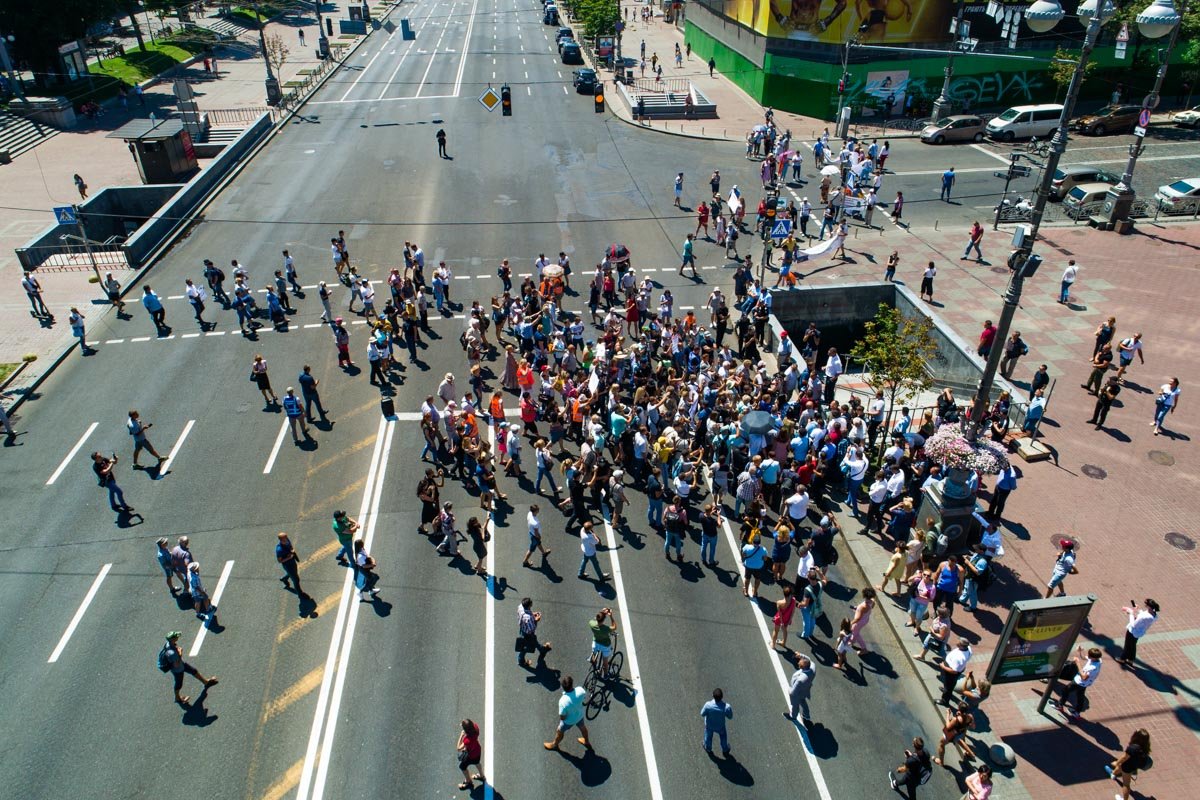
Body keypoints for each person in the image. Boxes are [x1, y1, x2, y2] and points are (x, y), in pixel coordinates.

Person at [160, 631, 217, 705]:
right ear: (172, 639)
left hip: (181, 665)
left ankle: (206, 682)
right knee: (179, 683)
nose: (178, 637)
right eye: (176, 636)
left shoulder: (168, 644)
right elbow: (176, 664)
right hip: (178, 670)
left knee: (193, 671)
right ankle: (177, 698)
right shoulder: (172, 653)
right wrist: (180, 652)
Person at [544, 676, 591, 751]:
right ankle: (586, 741)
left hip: (569, 721)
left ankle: (554, 745)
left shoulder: (563, 701)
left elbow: (563, 717)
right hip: (579, 715)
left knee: (559, 731)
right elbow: (584, 699)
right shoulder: (581, 690)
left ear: (563, 687)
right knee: (583, 728)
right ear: (572, 684)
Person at [1055, 646, 1102, 719]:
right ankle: (1076, 712)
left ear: (1093, 657)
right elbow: (1085, 658)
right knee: (1080, 696)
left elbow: (1084, 677)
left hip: (1078, 682)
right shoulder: (1098, 660)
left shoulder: (1092, 668)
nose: (1088, 657)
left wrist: (1078, 663)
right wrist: (1080, 652)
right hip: (1085, 684)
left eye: (1089, 656)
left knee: (1065, 690)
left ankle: (1059, 705)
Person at [1106, 728, 1151, 800]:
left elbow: (1124, 758)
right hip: (1134, 765)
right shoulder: (1145, 747)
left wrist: (1116, 763)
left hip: (1128, 766)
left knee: (1126, 784)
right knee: (1121, 767)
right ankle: (1113, 774)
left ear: (1136, 737)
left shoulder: (1132, 748)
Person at [1118, 598, 1160, 666]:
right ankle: (1131, 660)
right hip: (1139, 632)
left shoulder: (1144, 617)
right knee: (1132, 646)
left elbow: (1133, 624)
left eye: (1146, 605)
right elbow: (1144, 614)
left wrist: (1131, 613)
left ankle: (1122, 659)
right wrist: (1138, 609)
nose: (1145, 606)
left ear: (1149, 606)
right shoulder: (1154, 615)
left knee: (1127, 645)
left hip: (1132, 631)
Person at [933, 702, 976, 766]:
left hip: (952, 735)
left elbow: (948, 727)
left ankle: (941, 762)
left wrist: (948, 714)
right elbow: (973, 726)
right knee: (960, 740)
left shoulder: (956, 719)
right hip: (961, 733)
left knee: (941, 744)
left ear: (959, 709)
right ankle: (971, 754)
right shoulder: (970, 717)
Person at [517, 597, 552, 667]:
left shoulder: (520, 607)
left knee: (533, 642)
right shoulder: (528, 618)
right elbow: (531, 629)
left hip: (522, 629)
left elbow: (525, 613)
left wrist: (532, 614)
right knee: (525, 647)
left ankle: (542, 649)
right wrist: (536, 620)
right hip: (528, 634)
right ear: (529, 605)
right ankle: (521, 661)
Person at [938, 638, 973, 705]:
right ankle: (946, 689)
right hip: (956, 668)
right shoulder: (968, 648)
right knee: (948, 685)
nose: (956, 643)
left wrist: (943, 667)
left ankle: (944, 701)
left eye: (958, 643)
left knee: (949, 686)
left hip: (951, 672)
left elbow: (954, 671)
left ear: (961, 646)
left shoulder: (959, 658)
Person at [700, 688, 733, 756]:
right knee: (723, 737)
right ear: (722, 697)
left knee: (708, 737)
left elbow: (702, 714)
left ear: (712, 696)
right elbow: (730, 717)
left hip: (709, 725)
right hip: (720, 726)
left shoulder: (708, 705)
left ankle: (708, 747)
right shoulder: (726, 707)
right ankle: (725, 749)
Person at [783, 653, 815, 722]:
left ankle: (793, 716)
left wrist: (789, 689)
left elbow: (792, 693)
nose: (798, 662)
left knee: (795, 705)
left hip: (797, 693)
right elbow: (809, 659)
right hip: (805, 690)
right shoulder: (812, 667)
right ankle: (806, 715)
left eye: (799, 663)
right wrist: (800, 655)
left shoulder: (800, 680)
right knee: (802, 701)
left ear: (801, 667)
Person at [456, 719, 485, 791]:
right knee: (477, 763)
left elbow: (458, 748)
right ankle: (481, 775)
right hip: (477, 750)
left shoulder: (467, 740)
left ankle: (468, 781)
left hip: (470, 755)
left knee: (462, 767)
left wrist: (461, 736)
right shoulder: (476, 728)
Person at [589, 607, 618, 675]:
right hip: (605, 645)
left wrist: (601, 612)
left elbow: (595, 619)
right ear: (603, 620)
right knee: (605, 662)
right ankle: (605, 674)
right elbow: (615, 627)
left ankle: (594, 664)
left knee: (594, 652)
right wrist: (611, 616)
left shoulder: (591, 624)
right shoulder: (606, 629)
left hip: (596, 642)